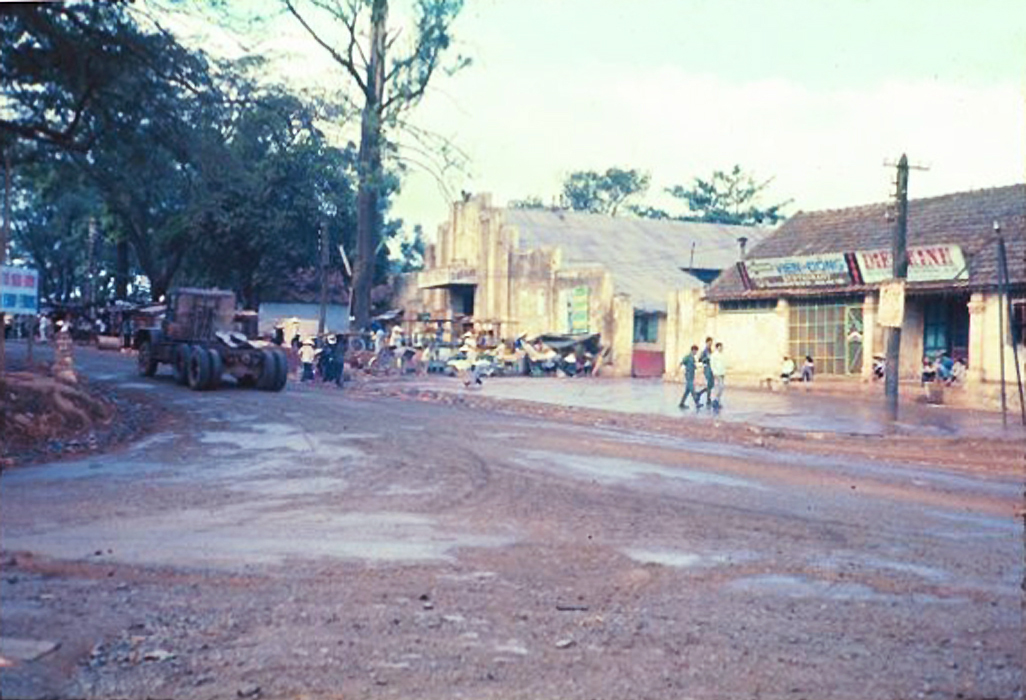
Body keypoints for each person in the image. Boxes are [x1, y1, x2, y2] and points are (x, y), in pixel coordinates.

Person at [678, 344, 701, 410]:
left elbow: (693, 366)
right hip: (688, 376)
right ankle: (697, 403)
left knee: (687, 391)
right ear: (693, 350)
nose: (696, 353)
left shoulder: (693, 358)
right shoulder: (687, 357)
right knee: (692, 390)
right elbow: (681, 363)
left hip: (691, 376)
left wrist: (696, 367)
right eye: (695, 351)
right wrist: (677, 371)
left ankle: (681, 403)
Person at [709, 342, 727, 411]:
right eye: (720, 347)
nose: (721, 348)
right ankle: (715, 400)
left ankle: (717, 401)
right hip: (717, 373)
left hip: (722, 373)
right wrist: (714, 372)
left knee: (721, 387)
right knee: (719, 387)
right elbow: (712, 364)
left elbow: (723, 364)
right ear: (717, 347)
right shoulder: (714, 355)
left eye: (722, 347)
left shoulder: (722, 355)